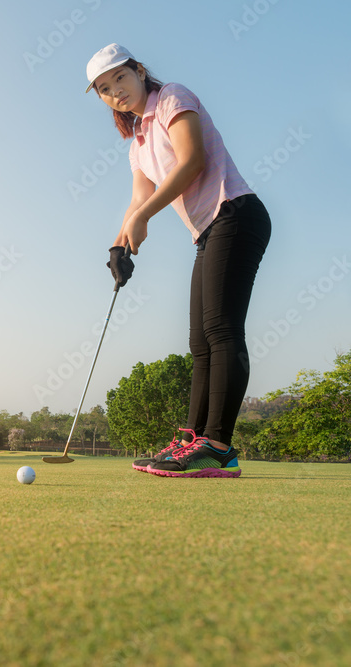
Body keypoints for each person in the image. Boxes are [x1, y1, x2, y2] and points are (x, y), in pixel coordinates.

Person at [85, 44, 271, 478]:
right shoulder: (138, 141)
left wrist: (144, 217)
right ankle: (192, 439)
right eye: (104, 89)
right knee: (199, 341)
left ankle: (218, 446)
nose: (116, 92)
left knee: (222, 331)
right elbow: (139, 199)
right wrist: (119, 247)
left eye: (120, 79)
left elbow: (191, 161)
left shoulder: (172, 96)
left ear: (139, 70)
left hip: (236, 213)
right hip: (208, 231)